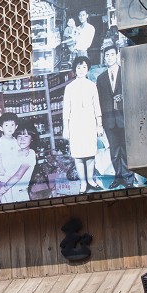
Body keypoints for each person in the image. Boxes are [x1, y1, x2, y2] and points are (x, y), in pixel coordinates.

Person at [96, 40, 135, 189]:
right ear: (104, 58)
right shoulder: (101, 78)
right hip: (109, 121)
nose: (110, 57)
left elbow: (132, 92)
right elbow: (99, 101)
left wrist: (123, 97)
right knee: (113, 151)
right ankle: (118, 177)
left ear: (117, 55)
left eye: (112, 54)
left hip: (124, 118)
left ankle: (128, 178)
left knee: (125, 149)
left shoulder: (125, 72)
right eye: (107, 55)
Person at [62, 56, 104, 194]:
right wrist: (66, 128)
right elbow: (66, 109)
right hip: (75, 124)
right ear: (75, 69)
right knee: (78, 155)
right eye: (79, 67)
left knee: (90, 154)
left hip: (89, 123)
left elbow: (97, 106)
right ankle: (83, 183)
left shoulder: (92, 86)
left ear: (88, 69)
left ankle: (91, 180)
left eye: (84, 67)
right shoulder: (69, 87)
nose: (81, 70)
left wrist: (99, 125)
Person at [0, 117, 37, 203]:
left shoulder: (30, 154)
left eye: (26, 136)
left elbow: (18, 175)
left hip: (17, 193)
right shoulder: (14, 151)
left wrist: (3, 190)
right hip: (5, 191)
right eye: (19, 136)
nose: (22, 139)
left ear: (32, 138)